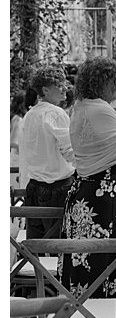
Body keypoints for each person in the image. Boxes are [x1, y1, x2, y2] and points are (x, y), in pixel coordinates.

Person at [62, 56, 116, 311]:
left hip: (86, 194)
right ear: (103, 83)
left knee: (84, 267)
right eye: (114, 82)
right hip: (103, 200)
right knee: (104, 265)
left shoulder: (81, 106)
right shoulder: (99, 109)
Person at [18, 65, 75, 239]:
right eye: (59, 84)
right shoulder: (55, 113)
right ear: (45, 90)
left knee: (37, 246)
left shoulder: (30, 114)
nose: (64, 88)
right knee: (61, 245)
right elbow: (69, 151)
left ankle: (37, 268)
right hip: (58, 189)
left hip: (34, 188)